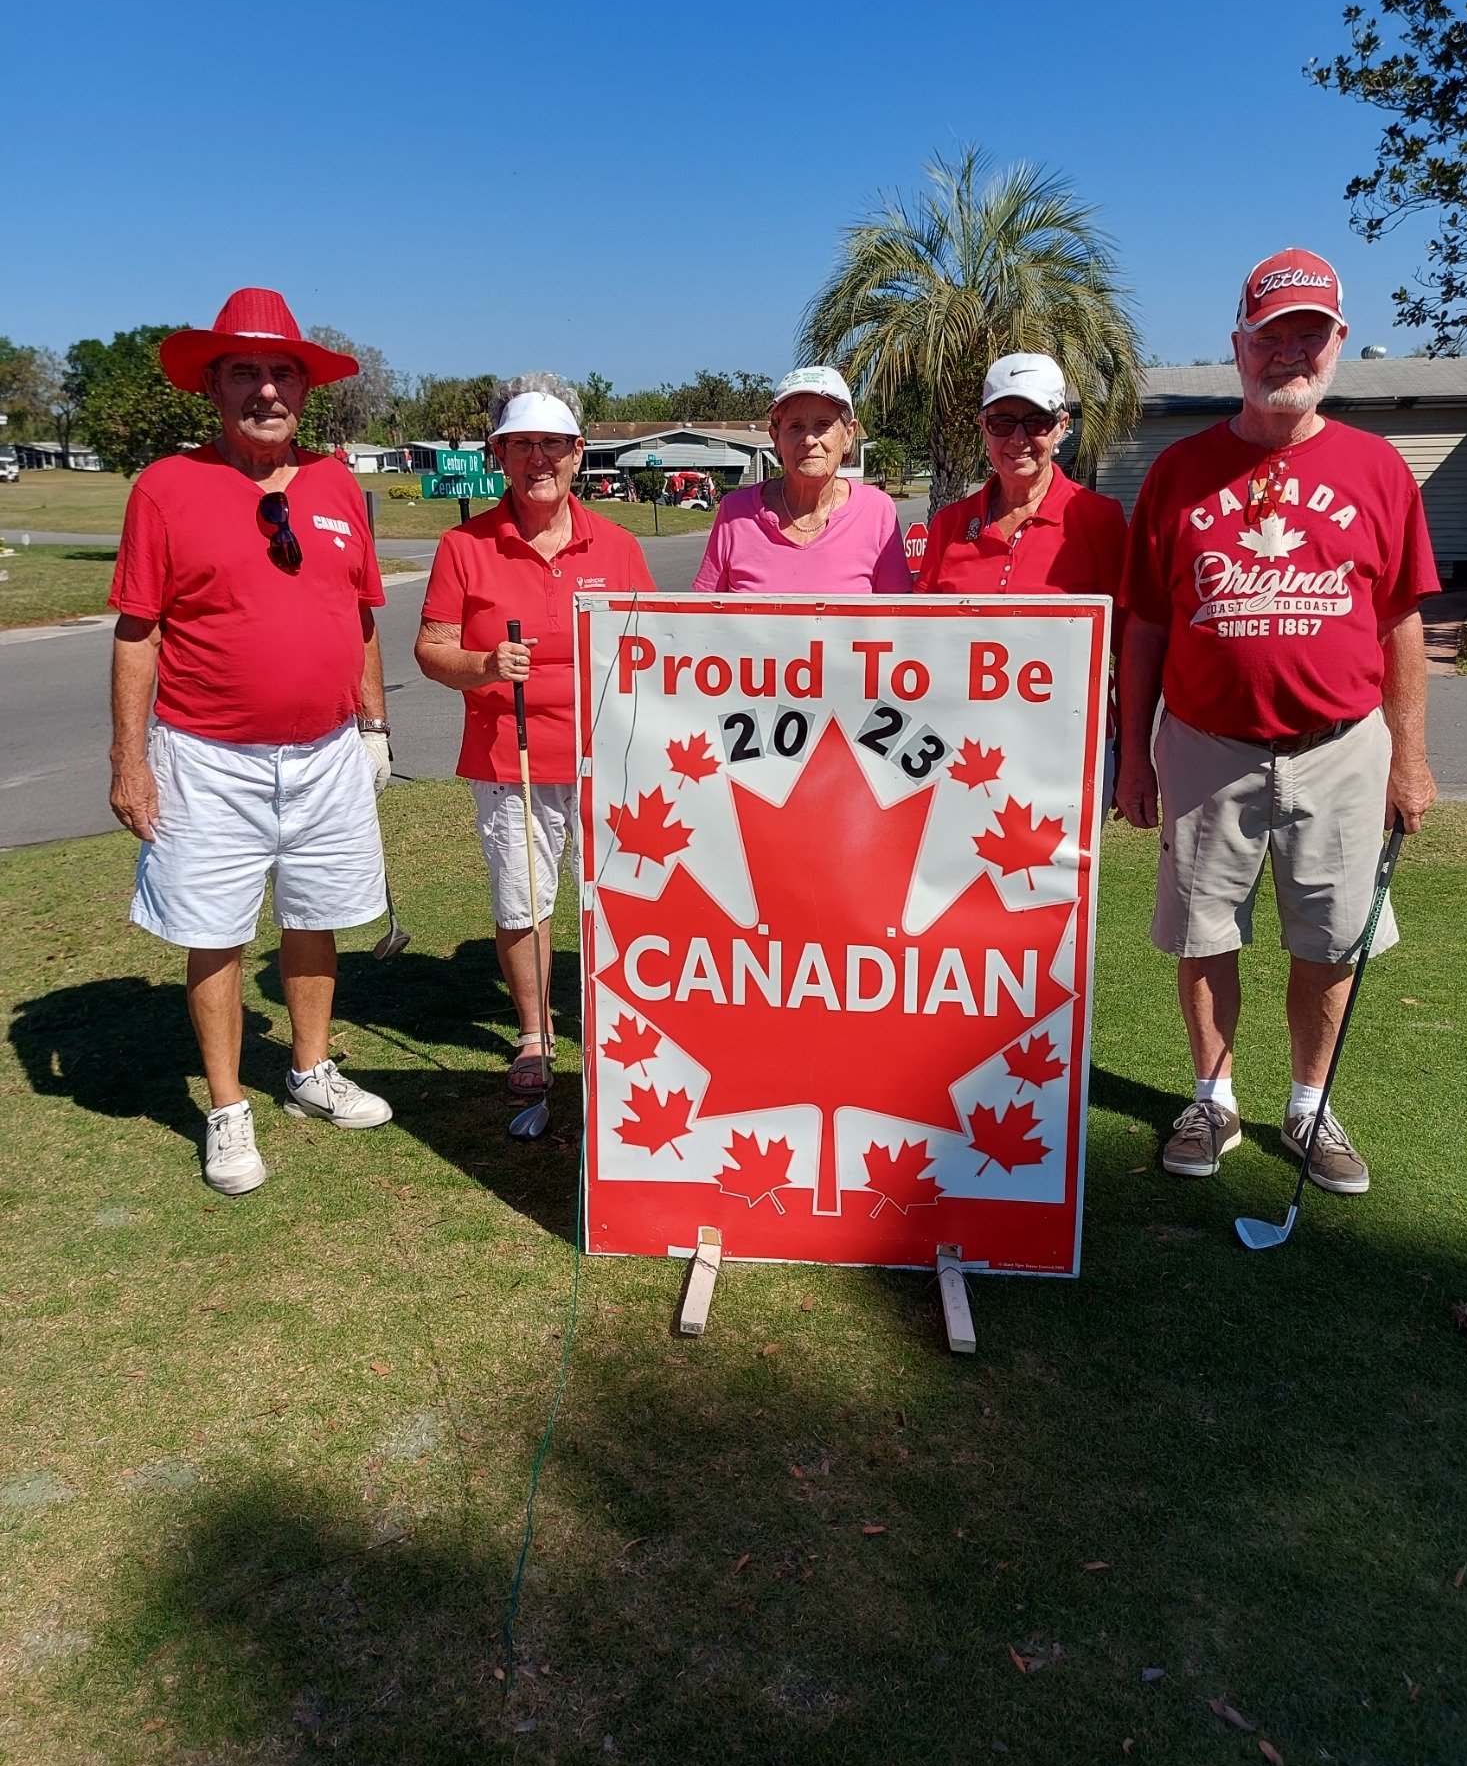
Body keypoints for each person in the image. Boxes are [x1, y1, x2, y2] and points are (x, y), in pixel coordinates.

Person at [1114, 248, 1439, 1196]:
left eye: (1311, 334)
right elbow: (1145, 629)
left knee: (1330, 940)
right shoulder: (1179, 473)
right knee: (1205, 933)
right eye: (1272, 336)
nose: (1289, 353)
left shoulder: (1377, 468)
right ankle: (1211, 1098)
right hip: (1207, 748)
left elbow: (1400, 623)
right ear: (1238, 347)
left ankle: (1307, 1104)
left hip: (1341, 749)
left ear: (1338, 344)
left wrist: (1409, 760)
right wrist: (1135, 756)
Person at [109, 288, 396, 1199]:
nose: (267, 390)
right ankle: (227, 1107)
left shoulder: (338, 483)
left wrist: (374, 724)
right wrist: (129, 759)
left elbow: (358, 614)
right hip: (207, 757)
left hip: (325, 753)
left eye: (283, 373)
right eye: (246, 373)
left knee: (316, 915)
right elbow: (137, 630)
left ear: (306, 389)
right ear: (214, 387)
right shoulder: (166, 486)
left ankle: (309, 1072)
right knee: (215, 931)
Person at [414, 374, 655, 1098]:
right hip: (509, 753)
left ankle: (631, 1024)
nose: (538, 459)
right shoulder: (465, 545)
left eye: (552, 444)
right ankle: (534, 1031)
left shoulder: (614, 544)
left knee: (625, 895)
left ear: (580, 454)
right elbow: (432, 650)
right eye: (522, 445)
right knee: (523, 899)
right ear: (500, 455)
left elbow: (657, 646)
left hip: (610, 755)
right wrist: (484, 665)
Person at [914, 352, 1126, 603]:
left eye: (1037, 422)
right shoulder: (949, 524)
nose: (1018, 439)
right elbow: (921, 626)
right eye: (1002, 422)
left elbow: (1126, 631)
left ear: (1061, 427)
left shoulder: (1099, 519)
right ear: (983, 427)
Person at [692, 366, 912, 593]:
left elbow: (895, 616)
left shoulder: (877, 510)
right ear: (775, 437)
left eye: (823, 425)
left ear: (848, 435)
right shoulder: (735, 512)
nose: (808, 439)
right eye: (795, 426)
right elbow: (706, 616)